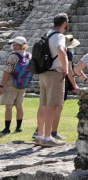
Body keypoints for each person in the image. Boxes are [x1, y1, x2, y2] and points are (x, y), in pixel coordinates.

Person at [35, 13, 77, 147]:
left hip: (44, 73)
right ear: (64, 23)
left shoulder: (48, 33)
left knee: (43, 105)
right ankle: (48, 137)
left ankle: (40, 136)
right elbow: (61, 50)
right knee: (52, 106)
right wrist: (65, 68)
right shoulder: (59, 36)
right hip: (55, 73)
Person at [0, 36, 30, 134]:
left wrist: (1, 85)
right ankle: (18, 128)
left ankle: (7, 128)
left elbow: (7, 72)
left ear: (17, 45)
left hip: (10, 84)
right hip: (22, 84)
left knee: (8, 107)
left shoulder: (13, 56)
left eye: (14, 44)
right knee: (19, 106)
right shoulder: (28, 55)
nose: (13, 45)